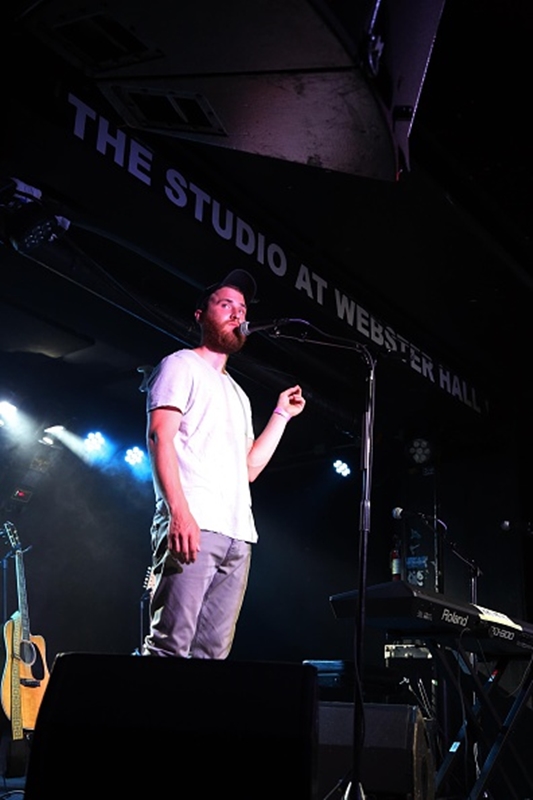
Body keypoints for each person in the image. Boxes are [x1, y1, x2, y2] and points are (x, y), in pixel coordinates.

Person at [141, 268, 306, 658]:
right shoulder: (180, 364)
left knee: (212, 655)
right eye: (225, 304)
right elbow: (159, 436)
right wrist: (179, 513)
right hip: (194, 524)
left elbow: (248, 469)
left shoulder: (239, 395)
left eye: (242, 308)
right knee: (170, 645)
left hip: (237, 536)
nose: (237, 314)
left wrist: (280, 416)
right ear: (201, 315)